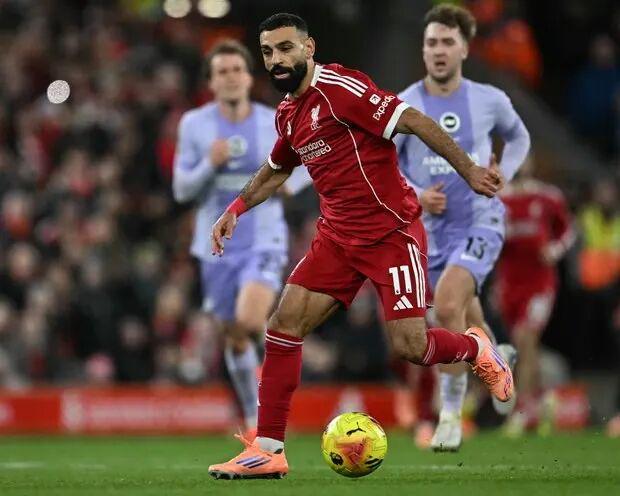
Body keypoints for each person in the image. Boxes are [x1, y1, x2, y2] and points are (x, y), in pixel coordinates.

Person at [208, 13, 513, 480]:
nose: (277, 60)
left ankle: (476, 349)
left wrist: (468, 170)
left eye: (286, 48)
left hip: (391, 234)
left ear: (309, 48)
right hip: (337, 239)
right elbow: (277, 168)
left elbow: (412, 120)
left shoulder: (340, 89)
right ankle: (268, 449)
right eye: (268, 52)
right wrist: (235, 208)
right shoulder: (288, 112)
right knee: (283, 324)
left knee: (411, 346)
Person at [395, 4, 530, 451]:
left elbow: (519, 137)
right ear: (423, 50)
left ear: (465, 49)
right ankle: (497, 355)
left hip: (479, 220)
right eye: (431, 42)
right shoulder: (404, 104)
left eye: (447, 42)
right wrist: (416, 193)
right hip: (430, 232)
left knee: (447, 306)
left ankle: (450, 415)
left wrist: (504, 171)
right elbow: (386, 165)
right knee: (465, 318)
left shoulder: (489, 99)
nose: (439, 50)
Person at [173, 40, 305, 436]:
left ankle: (268, 405)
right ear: (211, 82)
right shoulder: (194, 125)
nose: (231, 77)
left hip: (264, 238)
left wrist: (289, 184)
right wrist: (208, 165)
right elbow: (181, 189)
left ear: (249, 78)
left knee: (249, 320)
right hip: (214, 246)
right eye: (222, 72)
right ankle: (252, 419)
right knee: (233, 336)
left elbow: (308, 163)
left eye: (237, 70)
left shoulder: (274, 119)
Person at [496, 157, 574, 436]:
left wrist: (554, 250)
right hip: (510, 284)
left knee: (525, 339)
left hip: (540, 283)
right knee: (523, 346)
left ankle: (521, 412)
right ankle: (544, 398)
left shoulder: (548, 196)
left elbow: (568, 230)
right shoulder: (499, 200)